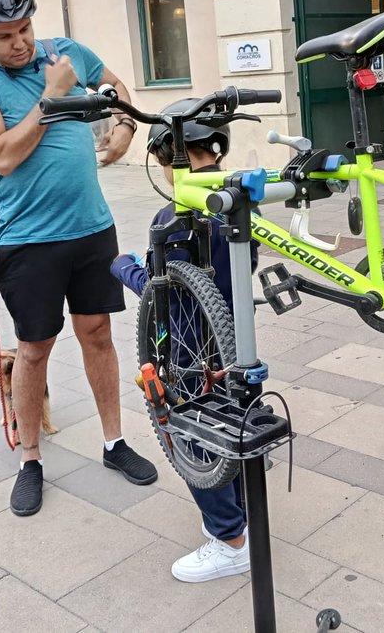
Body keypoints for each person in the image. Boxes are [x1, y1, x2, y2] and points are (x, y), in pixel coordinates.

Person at [0, 0, 157, 518]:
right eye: (3, 35)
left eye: (24, 29)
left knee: (98, 335)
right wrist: (52, 95)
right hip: (27, 240)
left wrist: (124, 124)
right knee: (35, 348)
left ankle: (114, 443)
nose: (19, 43)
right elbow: (2, 155)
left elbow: (118, 90)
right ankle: (30, 459)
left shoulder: (65, 52)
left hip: (92, 227)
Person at [110, 101, 252, 583]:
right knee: (236, 422)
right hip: (233, 342)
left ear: (172, 159)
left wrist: (123, 265)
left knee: (191, 434)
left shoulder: (172, 219)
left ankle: (230, 539)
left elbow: (160, 288)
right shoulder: (237, 208)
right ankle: (245, 510)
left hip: (187, 352)